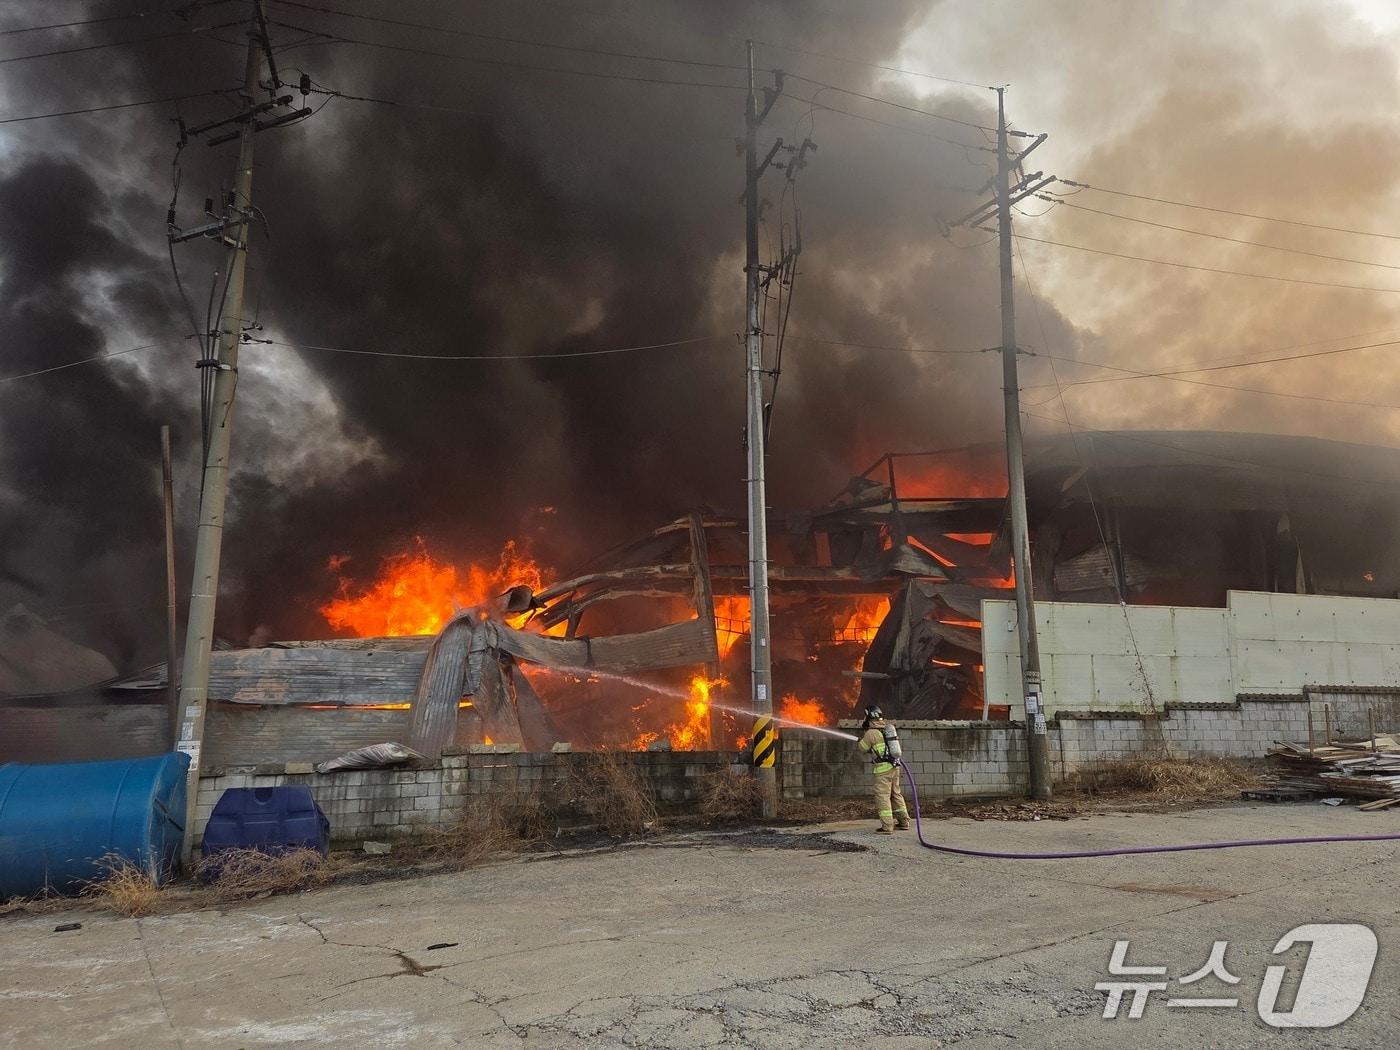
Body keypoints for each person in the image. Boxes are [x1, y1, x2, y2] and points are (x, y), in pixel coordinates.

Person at [858, 705, 909, 834]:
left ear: (869, 716)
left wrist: (861, 740)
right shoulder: (887, 729)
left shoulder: (871, 733)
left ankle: (887, 826)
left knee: (883, 796)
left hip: (882, 771)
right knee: (896, 794)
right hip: (895, 767)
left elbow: (863, 748)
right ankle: (904, 822)